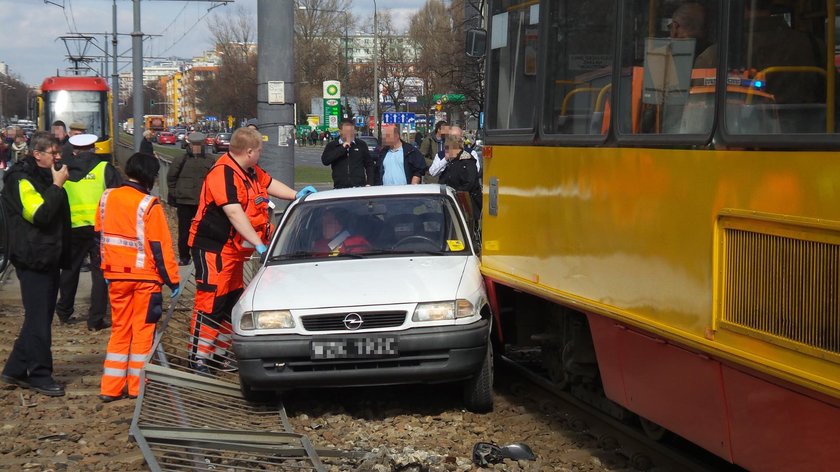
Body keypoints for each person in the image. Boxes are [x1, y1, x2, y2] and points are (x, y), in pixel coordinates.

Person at [188, 127, 317, 375]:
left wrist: (295, 195)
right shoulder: (223, 174)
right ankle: (199, 357)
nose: (260, 155)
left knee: (233, 302)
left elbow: (268, 184)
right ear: (249, 151)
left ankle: (219, 355)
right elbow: (234, 212)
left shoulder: (249, 171)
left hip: (233, 251)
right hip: (214, 248)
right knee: (211, 301)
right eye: (259, 151)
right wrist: (257, 242)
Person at [95, 153, 180, 401]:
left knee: (120, 330)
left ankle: (110, 388)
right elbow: (160, 248)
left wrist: (105, 269)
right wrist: (172, 281)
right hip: (145, 279)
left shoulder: (107, 198)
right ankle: (137, 387)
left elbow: (98, 237)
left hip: (115, 276)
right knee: (143, 332)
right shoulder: (148, 205)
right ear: (149, 177)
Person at [0, 132, 71, 397]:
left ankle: (16, 368)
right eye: (53, 152)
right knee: (39, 319)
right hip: (33, 257)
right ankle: (40, 374)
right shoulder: (21, 179)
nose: (58, 157)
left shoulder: (42, 175)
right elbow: (40, 215)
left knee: (39, 316)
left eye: (58, 151)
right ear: (37, 154)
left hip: (46, 254)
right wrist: (56, 186)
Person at [55, 133, 121, 330]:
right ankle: (96, 319)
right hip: (100, 228)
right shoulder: (104, 169)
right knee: (99, 273)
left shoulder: (63, 171)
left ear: (74, 150)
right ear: (94, 148)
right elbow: (117, 197)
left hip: (72, 228)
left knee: (69, 269)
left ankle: (64, 311)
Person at [167, 131, 214, 266]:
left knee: (204, 230)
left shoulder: (209, 160)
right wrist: (175, 193)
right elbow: (171, 178)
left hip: (203, 202)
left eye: (199, 144)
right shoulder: (181, 159)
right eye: (195, 144)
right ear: (190, 144)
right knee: (184, 230)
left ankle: (202, 254)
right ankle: (184, 256)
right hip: (185, 201)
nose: (197, 147)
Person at [437, 133, 482, 220]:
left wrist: (456, 193)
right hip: (455, 202)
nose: (446, 151)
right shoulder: (453, 161)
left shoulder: (467, 161)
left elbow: (469, 182)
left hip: (467, 204)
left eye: (447, 148)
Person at [321, 118, 375, 189]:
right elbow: (325, 161)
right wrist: (342, 148)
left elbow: (369, 165)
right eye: (347, 131)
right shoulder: (332, 145)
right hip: (340, 187)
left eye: (352, 131)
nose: (350, 134)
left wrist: (369, 183)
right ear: (340, 131)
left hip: (359, 187)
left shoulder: (361, 144)